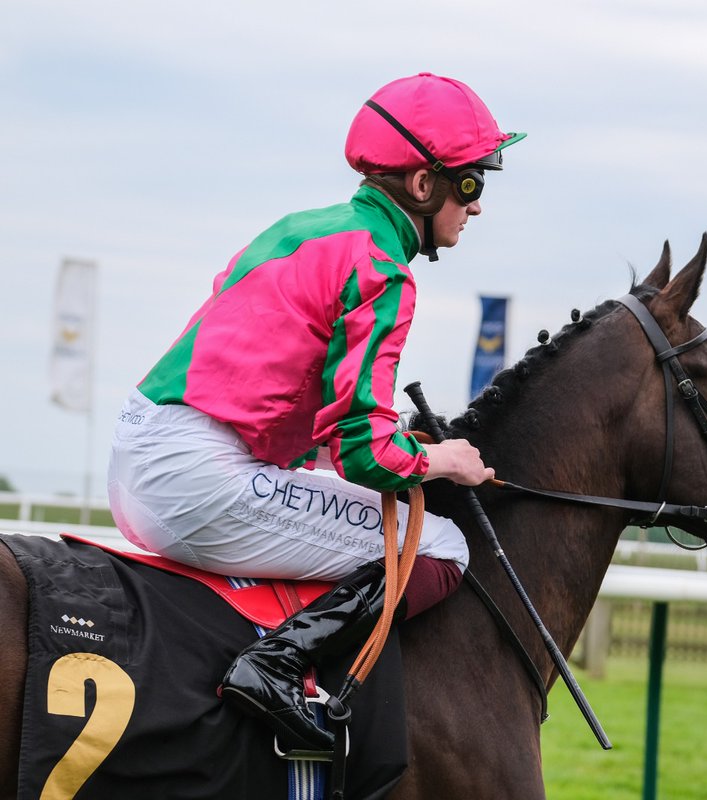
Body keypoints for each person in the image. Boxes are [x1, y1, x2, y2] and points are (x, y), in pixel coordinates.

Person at [106, 72, 523, 753]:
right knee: (443, 544)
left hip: (143, 454)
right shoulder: (385, 267)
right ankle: (273, 665)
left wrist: (395, 441)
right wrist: (440, 459)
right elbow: (362, 454)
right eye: (472, 182)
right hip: (197, 479)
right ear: (424, 185)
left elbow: (293, 407)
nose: (475, 206)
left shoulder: (302, 229)